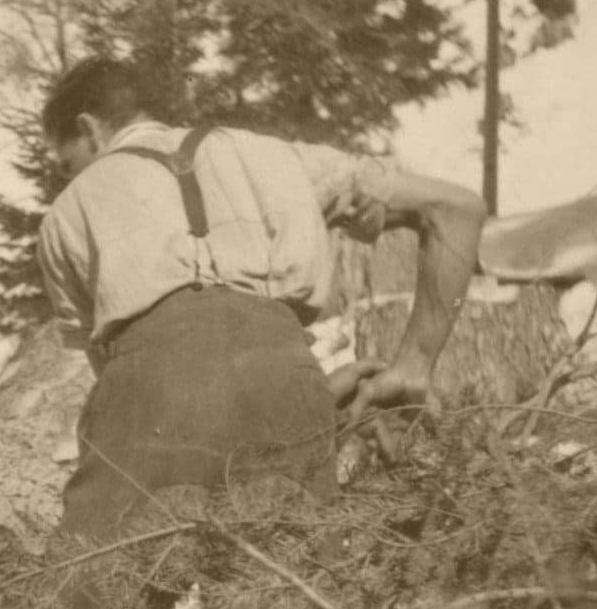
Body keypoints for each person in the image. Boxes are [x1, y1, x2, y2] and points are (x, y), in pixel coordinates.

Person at [36, 57, 485, 540]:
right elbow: (457, 208)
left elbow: (138, 389)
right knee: (286, 585)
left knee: (87, 594)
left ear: (89, 130)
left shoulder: (66, 214)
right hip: (287, 382)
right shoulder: (280, 157)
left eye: (67, 164)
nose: (69, 179)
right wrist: (412, 363)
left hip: (150, 401)